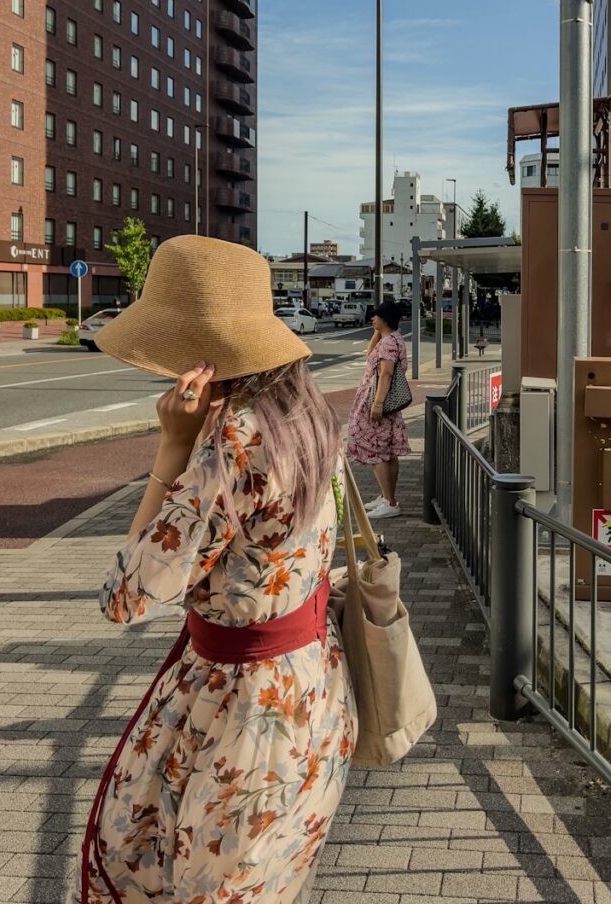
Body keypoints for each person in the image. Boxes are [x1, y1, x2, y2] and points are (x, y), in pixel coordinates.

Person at [67, 235, 357, 904]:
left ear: (202, 352)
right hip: (310, 685)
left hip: (236, 707)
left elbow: (125, 595)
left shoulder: (233, 439)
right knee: (269, 880)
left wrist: (171, 447)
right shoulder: (309, 417)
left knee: (179, 878)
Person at [346, 300, 410, 520]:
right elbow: (370, 355)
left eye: (376, 316)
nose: (372, 319)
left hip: (377, 401)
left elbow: (386, 374)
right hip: (386, 403)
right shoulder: (393, 338)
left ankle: (390, 502)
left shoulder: (388, 343)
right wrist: (377, 332)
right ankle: (386, 497)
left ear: (385, 318)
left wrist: (377, 404)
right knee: (388, 451)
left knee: (375, 451)